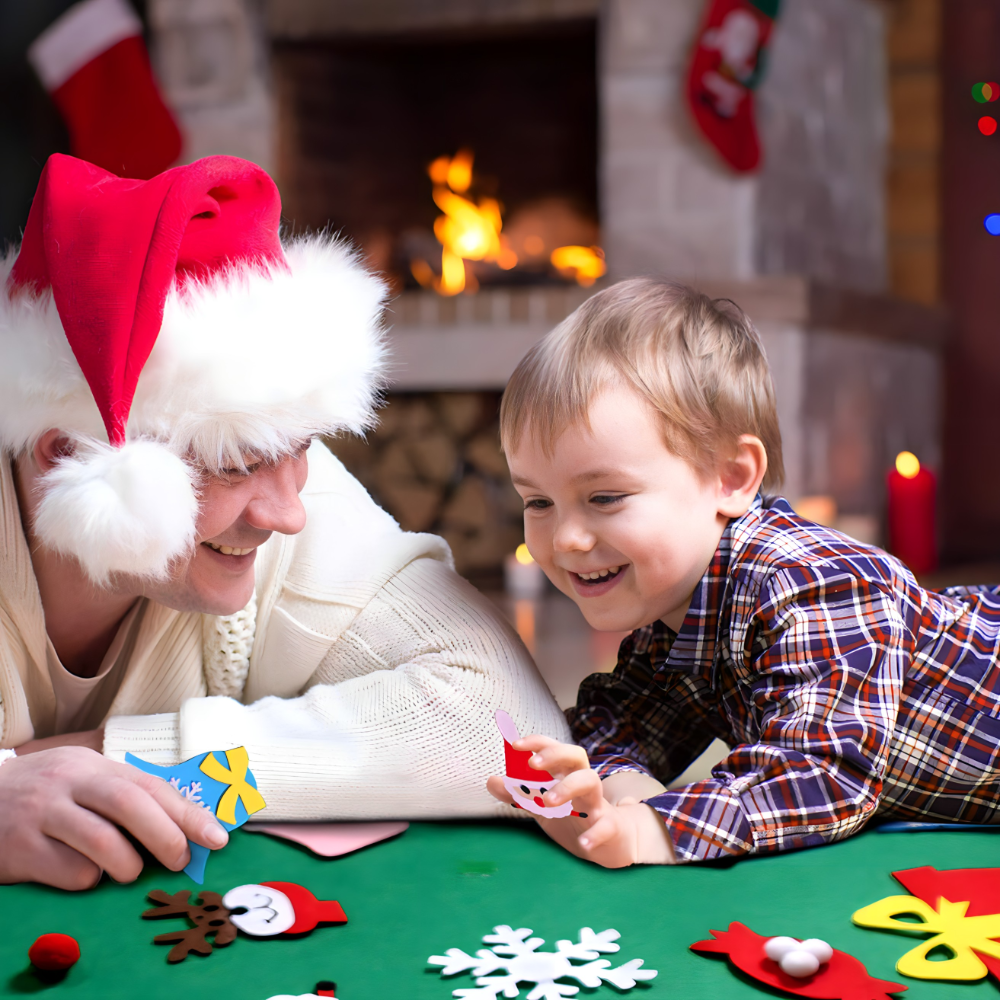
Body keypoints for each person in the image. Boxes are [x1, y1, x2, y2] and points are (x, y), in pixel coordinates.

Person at [0, 153, 569, 890]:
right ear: (68, 455)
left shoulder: (276, 468)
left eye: (299, 449)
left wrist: (114, 757)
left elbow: (509, 732)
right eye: (236, 465)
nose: (288, 514)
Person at [487, 277, 1000, 867]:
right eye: (538, 503)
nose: (567, 538)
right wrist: (617, 796)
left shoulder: (816, 584)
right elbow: (611, 722)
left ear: (730, 478)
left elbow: (822, 774)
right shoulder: (676, 619)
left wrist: (646, 831)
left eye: (604, 498)